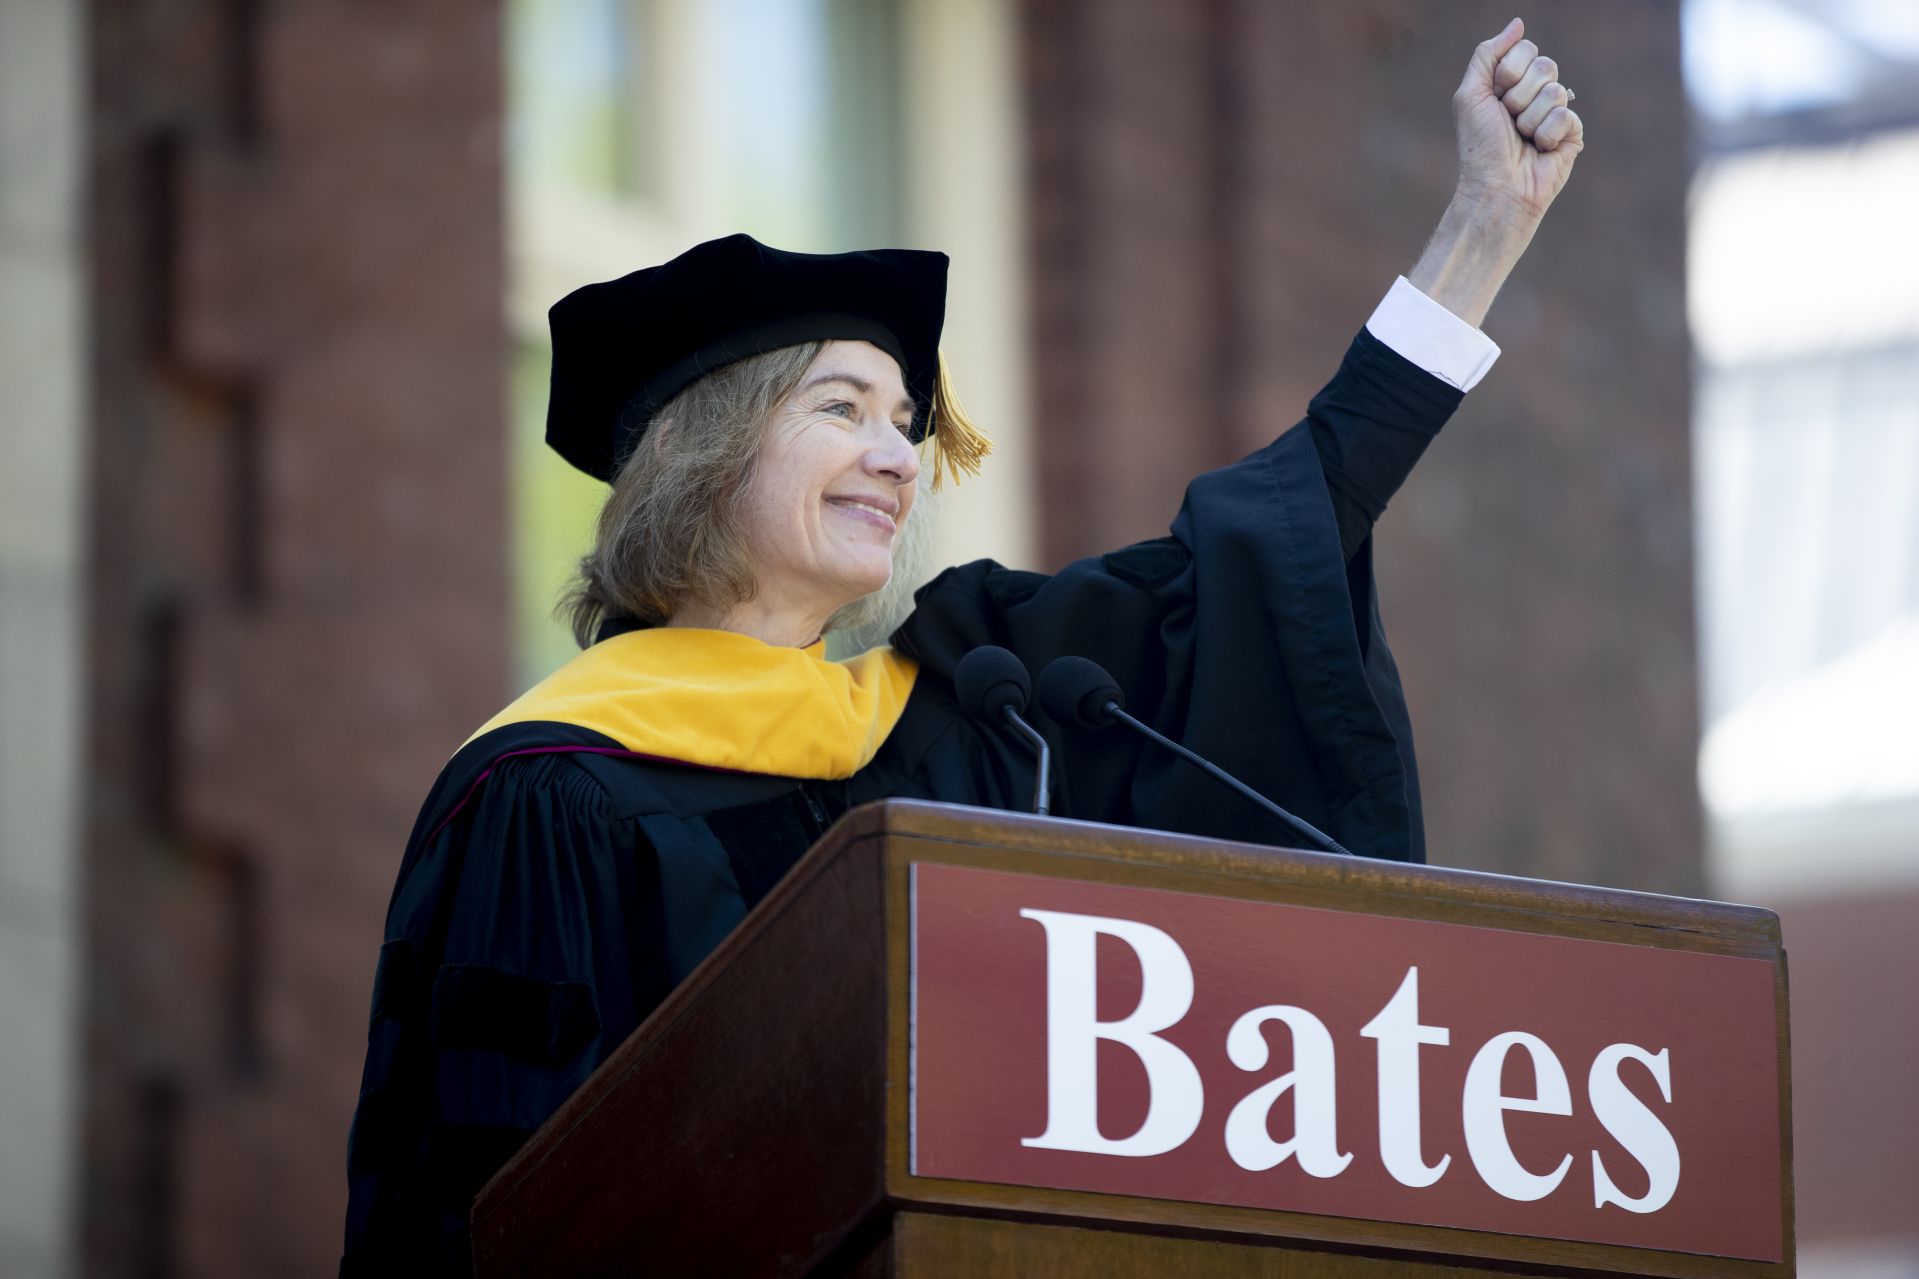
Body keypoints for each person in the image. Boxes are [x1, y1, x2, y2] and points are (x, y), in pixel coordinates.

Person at [341, 18, 1582, 1275]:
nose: (895, 453)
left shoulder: (979, 710)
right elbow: (472, 1213)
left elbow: (1263, 549)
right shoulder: (547, 798)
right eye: (840, 409)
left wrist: (1480, 228)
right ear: (699, 454)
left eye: (902, 421)